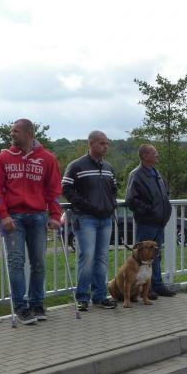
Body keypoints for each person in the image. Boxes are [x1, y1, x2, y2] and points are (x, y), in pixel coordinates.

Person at [0, 119, 62, 325]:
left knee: (39, 262)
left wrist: (55, 216)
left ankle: (37, 303)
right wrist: (3, 215)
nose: (12, 134)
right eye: (11, 130)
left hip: (38, 216)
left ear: (29, 133)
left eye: (16, 131)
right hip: (13, 217)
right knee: (16, 262)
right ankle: (20, 307)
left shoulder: (47, 159)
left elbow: (54, 191)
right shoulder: (3, 158)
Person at [61, 130, 118, 311]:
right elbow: (66, 189)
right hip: (85, 218)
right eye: (102, 143)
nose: (105, 146)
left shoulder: (108, 167)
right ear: (91, 144)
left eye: (107, 143)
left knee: (102, 257)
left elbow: (114, 189)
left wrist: (111, 205)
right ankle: (82, 297)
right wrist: (86, 206)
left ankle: (99, 296)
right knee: (86, 256)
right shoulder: (76, 166)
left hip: (105, 218)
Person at [124, 144, 176, 299]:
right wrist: (150, 210)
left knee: (156, 255)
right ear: (145, 156)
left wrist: (163, 210)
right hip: (147, 222)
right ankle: (144, 289)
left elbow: (164, 194)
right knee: (143, 256)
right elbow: (131, 200)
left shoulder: (156, 173)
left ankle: (157, 285)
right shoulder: (136, 175)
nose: (157, 155)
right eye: (155, 153)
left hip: (159, 222)